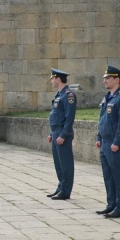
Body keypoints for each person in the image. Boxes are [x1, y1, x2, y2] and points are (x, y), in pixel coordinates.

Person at [96, 66, 120, 218]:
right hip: (105, 142)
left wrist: (117, 142)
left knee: (119, 176)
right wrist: (99, 137)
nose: (104, 80)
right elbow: (102, 119)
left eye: (108, 78)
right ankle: (111, 204)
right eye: (105, 78)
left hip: (115, 144)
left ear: (116, 80)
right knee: (108, 175)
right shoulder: (108, 97)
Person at [46, 69, 76, 200]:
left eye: (52, 78)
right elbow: (55, 117)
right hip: (56, 132)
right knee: (58, 163)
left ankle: (65, 191)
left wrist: (63, 135)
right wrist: (51, 133)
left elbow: (69, 118)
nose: (51, 81)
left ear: (58, 79)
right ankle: (60, 187)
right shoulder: (59, 95)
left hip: (63, 133)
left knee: (65, 163)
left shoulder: (68, 95)